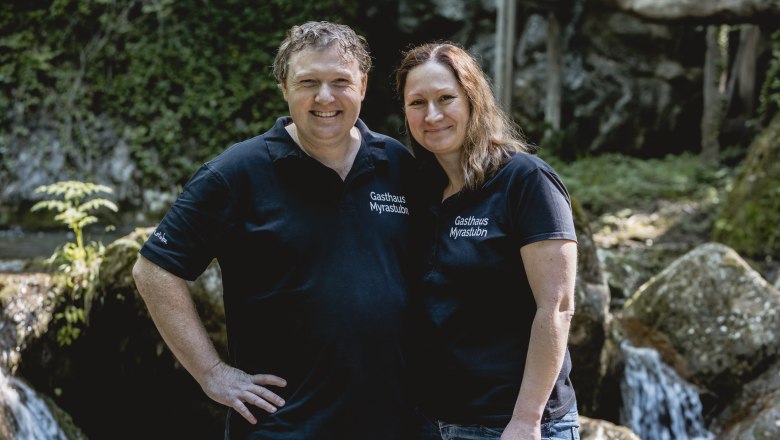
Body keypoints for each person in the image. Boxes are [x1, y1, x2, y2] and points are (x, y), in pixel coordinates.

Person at [132, 21, 418, 439]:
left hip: (395, 423)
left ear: (363, 85)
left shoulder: (397, 164)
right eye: (308, 82)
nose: (325, 97)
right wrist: (212, 373)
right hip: (284, 426)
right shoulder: (234, 174)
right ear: (284, 88)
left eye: (340, 81)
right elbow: (154, 271)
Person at [395, 42, 581, 440]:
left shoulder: (526, 181)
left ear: (473, 99)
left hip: (511, 425)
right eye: (417, 103)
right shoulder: (418, 191)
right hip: (431, 421)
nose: (433, 115)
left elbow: (558, 307)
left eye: (447, 98)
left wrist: (526, 420)